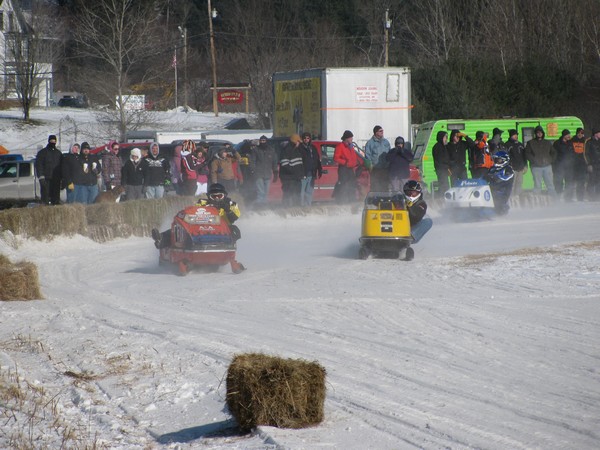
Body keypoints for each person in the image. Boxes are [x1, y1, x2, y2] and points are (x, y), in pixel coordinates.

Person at [151, 183, 241, 249]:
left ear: (224, 196)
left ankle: (229, 249)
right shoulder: (202, 203)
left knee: (235, 230)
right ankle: (162, 239)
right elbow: (192, 212)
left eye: (219, 196)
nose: (217, 199)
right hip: (202, 227)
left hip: (223, 229)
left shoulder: (231, 204)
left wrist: (228, 210)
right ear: (209, 197)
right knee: (182, 229)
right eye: (214, 197)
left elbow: (234, 218)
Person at [524, 125, 556, 196]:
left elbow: (553, 152)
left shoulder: (547, 142)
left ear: (543, 133)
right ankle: (537, 200)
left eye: (540, 132)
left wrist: (550, 160)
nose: (539, 134)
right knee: (537, 185)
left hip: (547, 166)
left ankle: (554, 199)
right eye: (537, 132)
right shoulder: (530, 143)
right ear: (535, 134)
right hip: (536, 167)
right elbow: (527, 153)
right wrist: (534, 161)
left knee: (550, 184)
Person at [250, 135, 278, 205]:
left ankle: (264, 206)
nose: (263, 142)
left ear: (266, 141)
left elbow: (274, 162)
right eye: (261, 141)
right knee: (260, 192)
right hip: (258, 173)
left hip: (268, 173)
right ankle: (259, 206)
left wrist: (275, 172)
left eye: (264, 141)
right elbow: (252, 161)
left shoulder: (271, 150)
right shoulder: (256, 150)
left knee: (266, 192)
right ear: (260, 141)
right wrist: (253, 169)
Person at [484, 150, 514, 215]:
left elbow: (506, 178)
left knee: (498, 202)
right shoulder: (492, 168)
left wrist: (495, 177)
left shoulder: (508, 169)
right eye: (496, 160)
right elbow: (485, 177)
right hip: (491, 190)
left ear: (504, 160)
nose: (497, 161)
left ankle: (501, 210)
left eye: (499, 160)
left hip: (502, 192)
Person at [35, 134, 63, 205]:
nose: (53, 142)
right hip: (46, 179)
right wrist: (41, 176)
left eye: (54, 141)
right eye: (51, 140)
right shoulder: (42, 152)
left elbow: (62, 166)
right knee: (45, 198)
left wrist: (62, 178)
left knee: (56, 199)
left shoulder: (58, 153)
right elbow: (39, 165)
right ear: (48, 141)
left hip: (56, 179)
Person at [333, 130, 360, 203]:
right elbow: (336, 158)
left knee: (352, 185)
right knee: (343, 185)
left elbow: (354, 157)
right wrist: (345, 163)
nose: (352, 139)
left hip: (351, 169)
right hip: (343, 169)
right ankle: (342, 201)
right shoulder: (340, 146)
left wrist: (357, 163)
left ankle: (352, 201)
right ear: (346, 138)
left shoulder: (351, 147)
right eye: (351, 137)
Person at [403, 180, 432, 246]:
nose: (411, 195)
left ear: (418, 193)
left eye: (413, 193)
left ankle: (409, 238)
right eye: (408, 192)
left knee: (428, 221)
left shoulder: (421, 204)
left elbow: (415, 217)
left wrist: (408, 207)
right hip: (397, 225)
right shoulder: (400, 199)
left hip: (411, 227)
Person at [279, 134, 305, 207]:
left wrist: (301, 174)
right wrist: (295, 172)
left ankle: (297, 209)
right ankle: (286, 210)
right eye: (298, 141)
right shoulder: (287, 149)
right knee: (288, 194)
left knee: (297, 194)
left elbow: (299, 164)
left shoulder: (297, 150)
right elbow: (285, 164)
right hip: (288, 178)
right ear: (294, 141)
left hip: (296, 177)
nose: (299, 143)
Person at [299, 132, 322, 206]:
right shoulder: (300, 148)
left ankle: (308, 206)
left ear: (310, 139)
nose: (306, 140)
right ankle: (301, 206)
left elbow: (317, 159)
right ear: (302, 139)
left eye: (308, 138)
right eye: (305, 138)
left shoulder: (313, 148)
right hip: (303, 173)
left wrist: (319, 169)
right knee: (301, 192)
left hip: (312, 173)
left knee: (309, 191)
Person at [365, 125, 391, 191]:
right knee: (375, 186)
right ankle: (376, 200)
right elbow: (367, 156)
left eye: (382, 130)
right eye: (380, 131)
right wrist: (370, 166)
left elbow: (390, 154)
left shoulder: (386, 142)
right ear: (376, 133)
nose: (382, 132)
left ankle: (385, 200)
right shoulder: (370, 143)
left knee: (385, 186)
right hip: (376, 169)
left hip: (385, 169)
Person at [552, 129, 575, 200]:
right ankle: (558, 198)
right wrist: (554, 165)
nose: (569, 136)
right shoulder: (557, 143)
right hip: (559, 166)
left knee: (569, 182)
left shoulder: (570, 143)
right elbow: (553, 154)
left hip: (569, 166)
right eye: (568, 135)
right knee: (559, 182)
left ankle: (568, 198)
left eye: (569, 134)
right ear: (564, 135)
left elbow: (573, 153)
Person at [505, 129, 527, 196]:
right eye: (514, 135)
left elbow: (524, 155)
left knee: (519, 183)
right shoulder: (507, 145)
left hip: (520, 168)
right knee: (512, 184)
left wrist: (525, 165)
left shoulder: (520, 145)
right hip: (512, 168)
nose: (516, 136)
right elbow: (506, 157)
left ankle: (517, 197)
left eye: (516, 135)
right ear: (511, 136)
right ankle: (510, 198)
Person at [570, 128, 588, 201]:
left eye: (581, 133)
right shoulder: (572, 140)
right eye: (579, 133)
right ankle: (570, 197)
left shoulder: (585, 141)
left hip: (582, 164)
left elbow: (587, 152)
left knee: (581, 182)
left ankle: (580, 197)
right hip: (573, 165)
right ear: (576, 133)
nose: (580, 134)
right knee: (572, 182)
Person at [431, 131, 450, 195]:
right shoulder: (437, 147)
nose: (446, 139)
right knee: (444, 186)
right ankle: (442, 199)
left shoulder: (444, 146)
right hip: (441, 170)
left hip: (444, 170)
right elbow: (441, 160)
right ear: (441, 137)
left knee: (445, 185)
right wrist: (447, 167)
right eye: (445, 137)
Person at [584, 128, 600, 200]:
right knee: (592, 180)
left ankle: (597, 195)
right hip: (592, 164)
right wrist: (589, 164)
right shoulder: (589, 141)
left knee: (598, 180)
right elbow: (585, 153)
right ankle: (590, 196)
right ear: (596, 133)